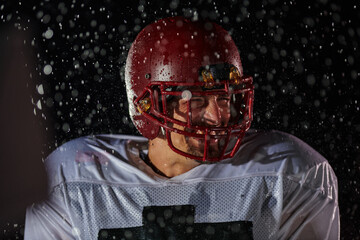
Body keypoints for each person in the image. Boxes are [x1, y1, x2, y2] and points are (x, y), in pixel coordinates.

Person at [24, 16, 339, 240]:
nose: (220, 117)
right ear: (148, 106)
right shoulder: (72, 179)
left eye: (227, 98)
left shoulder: (289, 173)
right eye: (198, 100)